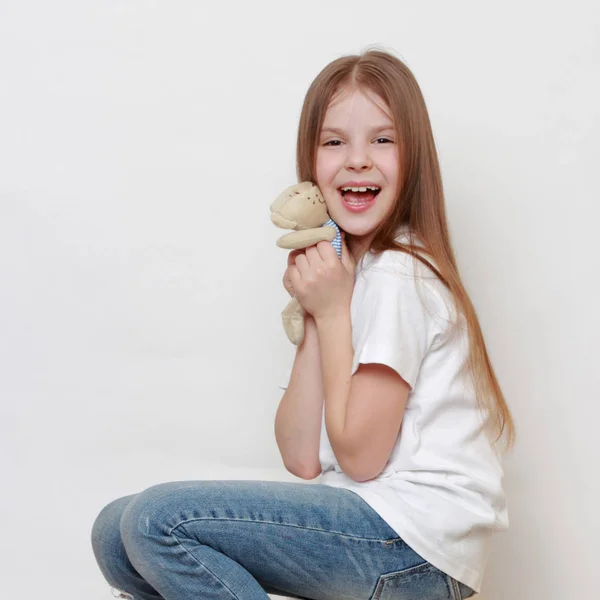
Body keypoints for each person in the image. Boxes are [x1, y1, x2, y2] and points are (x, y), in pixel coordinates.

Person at [91, 48, 516, 600]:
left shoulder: (401, 274)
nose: (357, 160)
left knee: (155, 521)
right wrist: (320, 308)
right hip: (375, 528)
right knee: (115, 531)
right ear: (311, 165)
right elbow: (300, 455)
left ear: (415, 160)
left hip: (415, 547)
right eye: (334, 141)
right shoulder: (353, 274)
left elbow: (361, 460)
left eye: (383, 140)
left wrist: (336, 310)